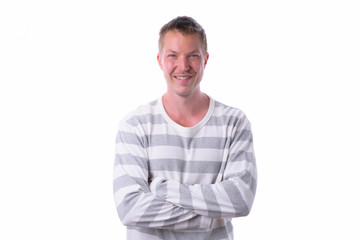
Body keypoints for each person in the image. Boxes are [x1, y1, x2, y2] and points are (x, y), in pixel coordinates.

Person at [113, 16, 257, 240]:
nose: (183, 66)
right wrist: (212, 217)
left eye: (193, 56)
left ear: (205, 59)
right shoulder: (135, 125)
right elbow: (130, 208)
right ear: (160, 60)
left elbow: (240, 198)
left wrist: (161, 188)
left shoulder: (234, 123)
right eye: (173, 56)